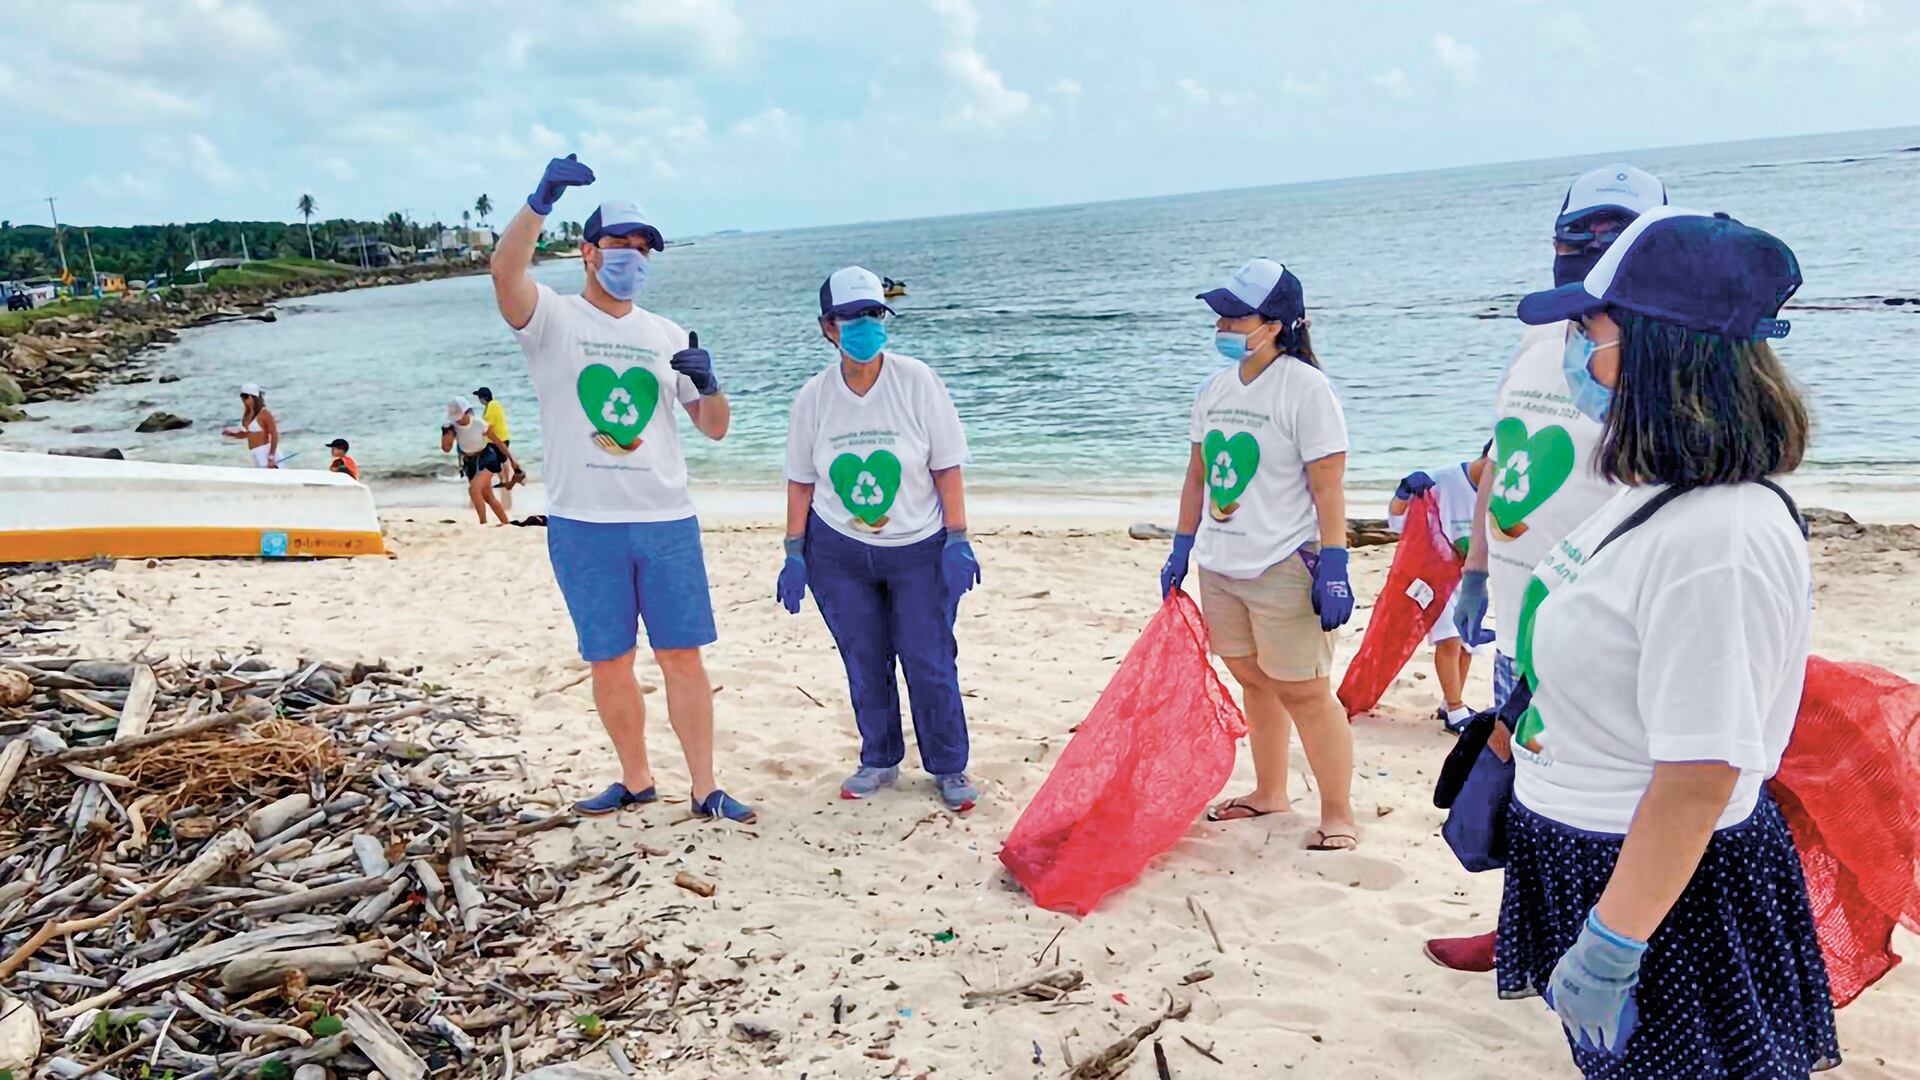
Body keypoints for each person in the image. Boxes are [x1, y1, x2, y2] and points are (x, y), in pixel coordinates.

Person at [1495, 206, 1834, 1074]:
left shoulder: (1719, 536)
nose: (1574, 349)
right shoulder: (1657, 489)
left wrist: (1611, 944)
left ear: (1658, 349)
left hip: (1671, 901)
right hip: (1604, 865)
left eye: (1587, 329)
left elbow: (1699, 778)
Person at [1426, 163, 1668, 973]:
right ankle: (1524, 929)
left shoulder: (1665, 359)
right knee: (1526, 780)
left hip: (1610, 629)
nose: (1593, 249)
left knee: (1615, 797)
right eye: (1579, 234)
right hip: (1521, 612)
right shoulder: (1539, 338)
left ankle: (1622, 943)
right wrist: (1476, 571)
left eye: (1616, 233)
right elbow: (1504, 455)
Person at [490, 153, 753, 824]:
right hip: (583, 522)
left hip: (666, 518)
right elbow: (505, 272)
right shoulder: (551, 318)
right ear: (586, 252)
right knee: (610, 660)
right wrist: (539, 199)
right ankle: (636, 780)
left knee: (682, 658)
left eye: (643, 250)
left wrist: (712, 381)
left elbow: (714, 428)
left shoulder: (666, 334)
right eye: (620, 246)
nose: (632, 259)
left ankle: (704, 788)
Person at [1160, 258, 1359, 851]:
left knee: (1304, 689)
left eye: (1234, 316)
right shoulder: (1215, 389)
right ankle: (1269, 792)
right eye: (1219, 315)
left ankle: (1338, 813)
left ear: (1273, 324)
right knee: (1254, 681)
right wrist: (1181, 546)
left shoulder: (1306, 389)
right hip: (1221, 565)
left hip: (1282, 562)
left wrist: (1336, 564)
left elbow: (1328, 486)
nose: (1222, 325)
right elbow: (1198, 475)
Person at [776, 266, 982, 812]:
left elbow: (947, 465)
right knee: (864, 658)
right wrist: (794, 552)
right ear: (827, 327)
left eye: (873, 314)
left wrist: (958, 537)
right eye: (851, 318)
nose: (865, 326)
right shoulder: (813, 399)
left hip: (919, 547)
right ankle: (880, 757)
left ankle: (949, 764)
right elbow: (801, 481)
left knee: (929, 657)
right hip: (837, 552)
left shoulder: (916, 381)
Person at [1385, 452, 1490, 732]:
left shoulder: (1503, 492)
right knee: (1449, 639)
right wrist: (1404, 493)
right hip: (1434, 576)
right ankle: (1456, 709)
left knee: (1468, 645)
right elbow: (1398, 522)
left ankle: (1450, 703)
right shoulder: (1443, 480)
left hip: (1471, 579)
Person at [441, 397, 510, 526]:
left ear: (467, 412)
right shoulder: (452, 427)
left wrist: (512, 461)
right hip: (469, 462)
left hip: (487, 458)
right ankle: (506, 522)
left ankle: (483, 523)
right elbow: (446, 448)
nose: (458, 419)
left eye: (460, 416)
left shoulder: (479, 423)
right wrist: (446, 434)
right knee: (487, 496)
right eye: (455, 417)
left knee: (473, 490)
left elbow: (497, 442)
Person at [473, 386, 523, 488]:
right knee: (503, 460)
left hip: (499, 439)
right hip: (499, 438)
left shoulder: (492, 405)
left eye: (479, 397)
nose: (479, 400)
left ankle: (507, 479)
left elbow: (487, 424)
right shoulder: (492, 405)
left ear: (483, 397)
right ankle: (508, 479)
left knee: (499, 460)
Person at [221, 383, 280, 468]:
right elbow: (246, 434)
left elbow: (274, 435)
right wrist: (231, 434)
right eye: (242, 396)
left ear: (254, 397)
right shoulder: (247, 414)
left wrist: (271, 457)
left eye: (245, 396)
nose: (243, 399)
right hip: (254, 453)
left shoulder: (264, 413)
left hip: (265, 453)